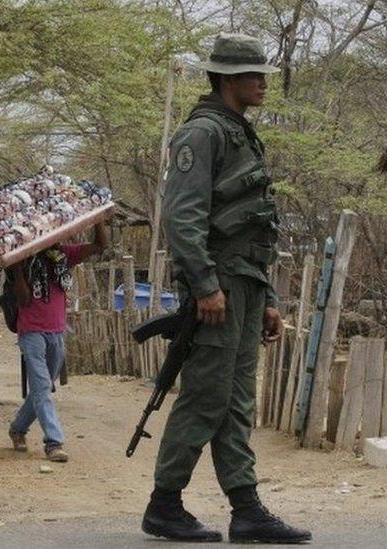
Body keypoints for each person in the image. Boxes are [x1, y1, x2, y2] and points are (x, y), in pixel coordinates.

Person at [141, 33, 311, 544]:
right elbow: (182, 218)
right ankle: (164, 504)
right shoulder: (202, 133)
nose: (263, 82)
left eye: (263, 74)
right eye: (253, 75)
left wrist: (270, 300)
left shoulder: (240, 132)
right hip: (217, 289)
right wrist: (206, 285)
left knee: (236, 402)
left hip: (246, 286)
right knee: (205, 397)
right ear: (227, 79)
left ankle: (246, 509)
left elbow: (255, 226)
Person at [7, 222, 109, 463]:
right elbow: (22, 299)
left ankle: (17, 429)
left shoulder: (64, 255)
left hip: (56, 331)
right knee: (42, 387)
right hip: (31, 332)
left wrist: (98, 219)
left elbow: (100, 245)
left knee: (42, 388)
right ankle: (54, 442)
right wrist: (17, 267)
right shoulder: (21, 259)